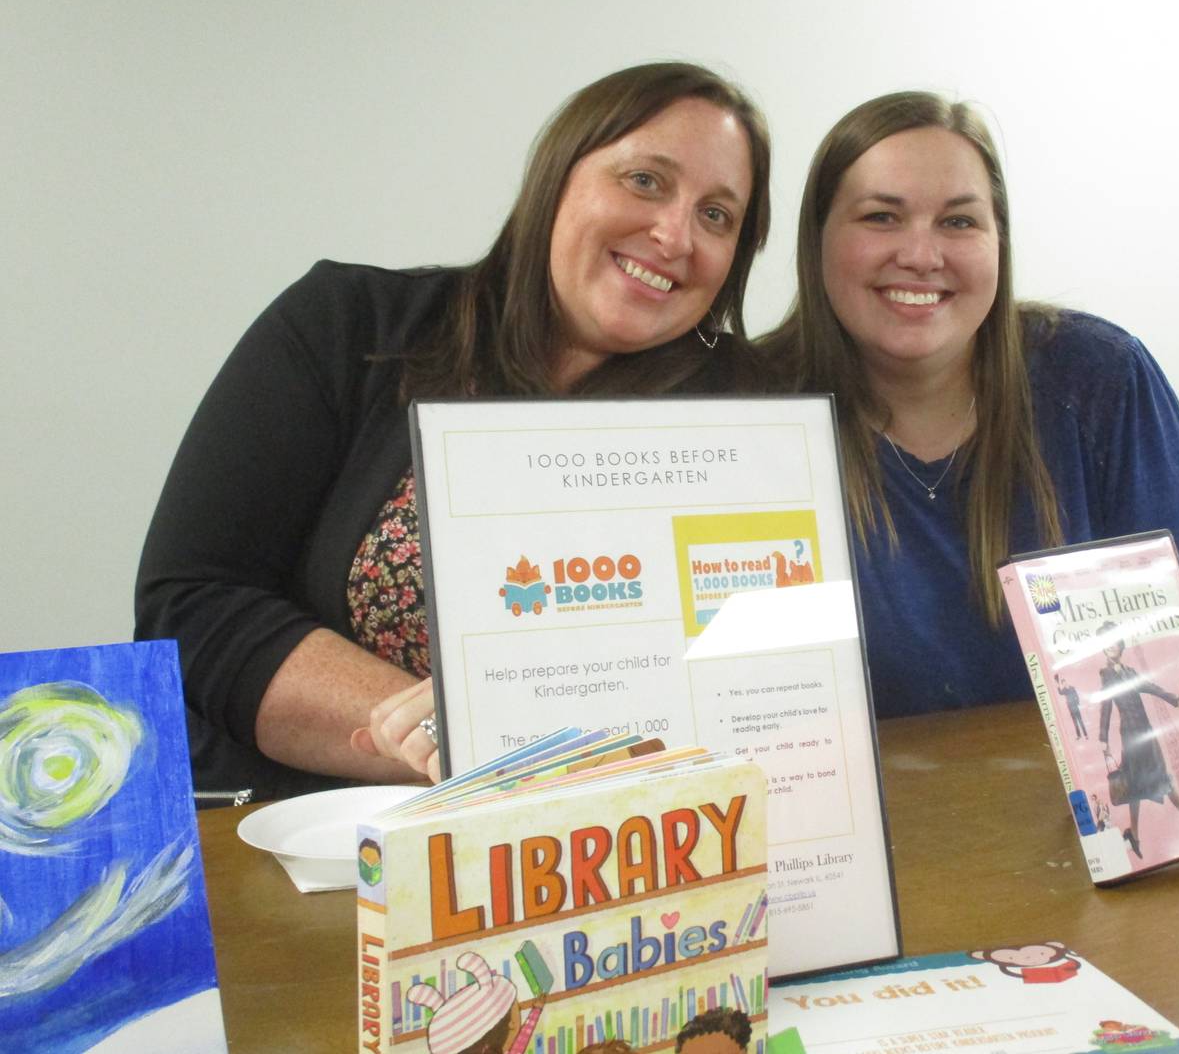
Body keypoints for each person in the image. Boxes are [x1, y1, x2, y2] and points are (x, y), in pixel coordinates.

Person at [135, 62, 771, 799]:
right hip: (317, 846)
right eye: (645, 181)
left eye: (717, 216)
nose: (673, 234)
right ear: (557, 177)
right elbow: (191, 604)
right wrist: (462, 736)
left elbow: (758, 667)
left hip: (621, 850)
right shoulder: (347, 325)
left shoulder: (746, 416)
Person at [758, 92, 1179, 717]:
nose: (921, 256)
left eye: (959, 222)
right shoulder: (747, 414)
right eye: (880, 218)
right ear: (817, 241)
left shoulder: (1100, 381)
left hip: (1074, 808)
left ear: (999, 241)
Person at [1096, 623, 1179, 859]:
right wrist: (1103, 739)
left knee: (1146, 782)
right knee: (1141, 783)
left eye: (1113, 641)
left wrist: (1176, 701)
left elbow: (1150, 687)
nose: (1110, 646)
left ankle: (1134, 833)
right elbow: (1105, 705)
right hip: (1131, 736)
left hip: (1146, 733)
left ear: (1120, 644)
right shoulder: (1107, 675)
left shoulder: (1130, 672)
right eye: (1105, 643)